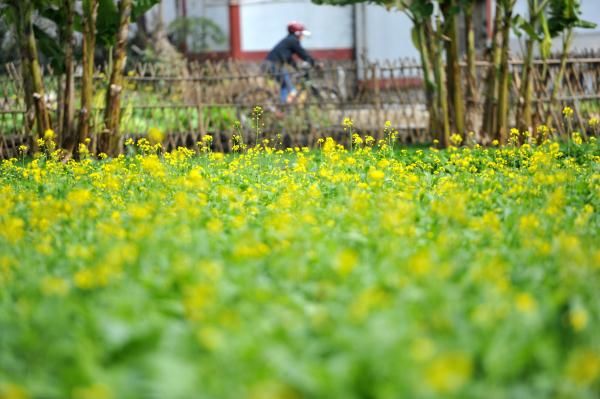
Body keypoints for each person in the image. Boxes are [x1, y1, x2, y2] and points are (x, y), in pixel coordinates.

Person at [263, 22, 317, 104]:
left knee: (285, 84)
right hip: (274, 65)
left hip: (272, 65)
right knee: (290, 89)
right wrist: (312, 62)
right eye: (302, 34)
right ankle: (282, 107)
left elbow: (288, 58)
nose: (302, 36)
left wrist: (296, 67)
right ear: (297, 33)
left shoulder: (289, 40)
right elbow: (302, 53)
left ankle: (283, 106)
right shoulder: (293, 41)